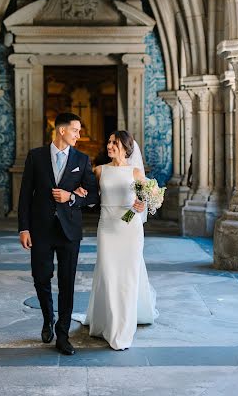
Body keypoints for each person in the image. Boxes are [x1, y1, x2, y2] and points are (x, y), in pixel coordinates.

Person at [18, 112, 99, 356]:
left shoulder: (82, 160)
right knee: (41, 277)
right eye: (75, 130)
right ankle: (47, 319)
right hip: (41, 229)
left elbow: (94, 196)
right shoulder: (36, 157)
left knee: (67, 283)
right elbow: (25, 196)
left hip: (69, 231)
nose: (79, 135)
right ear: (62, 131)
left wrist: (71, 197)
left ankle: (62, 334)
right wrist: (24, 227)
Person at [74, 130, 158, 350]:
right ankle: (107, 323)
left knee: (127, 278)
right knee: (108, 275)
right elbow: (90, 195)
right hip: (107, 228)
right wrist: (78, 193)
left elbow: (144, 200)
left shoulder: (136, 172)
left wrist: (141, 206)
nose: (109, 145)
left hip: (130, 230)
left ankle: (122, 329)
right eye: (109, 141)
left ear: (125, 147)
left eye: (115, 143)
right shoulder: (100, 171)